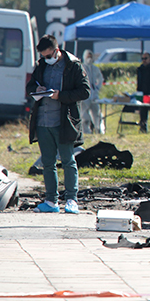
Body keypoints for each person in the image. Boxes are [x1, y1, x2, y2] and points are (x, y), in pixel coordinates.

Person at [26, 34, 90, 214]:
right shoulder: (41, 66)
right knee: (47, 162)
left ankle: (71, 199)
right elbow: (30, 87)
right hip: (43, 121)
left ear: (57, 51)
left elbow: (85, 92)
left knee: (68, 161)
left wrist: (60, 96)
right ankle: (51, 200)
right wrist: (36, 90)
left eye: (48, 56)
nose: (46, 59)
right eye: (43, 57)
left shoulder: (73, 65)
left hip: (64, 122)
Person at [80, 50, 104, 134]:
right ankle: (86, 131)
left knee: (97, 114)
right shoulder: (81, 68)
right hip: (85, 96)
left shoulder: (95, 68)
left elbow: (100, 79)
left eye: (90, 56)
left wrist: (97, 88)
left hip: (94, 95)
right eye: (88, 56)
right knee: (84, 115)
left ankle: (99, 130)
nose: (89, 58)